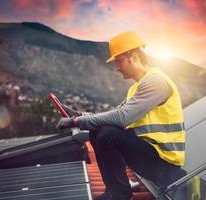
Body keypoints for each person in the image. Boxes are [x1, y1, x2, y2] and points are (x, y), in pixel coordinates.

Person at [57, 31, 186, 200]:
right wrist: (82, 115)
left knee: (108, 135)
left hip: (164, 164)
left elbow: (121, 117)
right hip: (149, 154)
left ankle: (120, 196)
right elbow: (115, 115)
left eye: (119, 61)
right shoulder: (137, 87)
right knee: (99, 130)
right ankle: (112, 192)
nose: (117, 67)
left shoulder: (156, 81)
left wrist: (76, 121)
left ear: (132, 56)